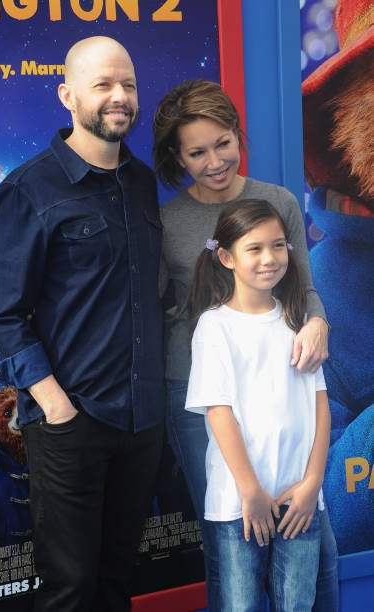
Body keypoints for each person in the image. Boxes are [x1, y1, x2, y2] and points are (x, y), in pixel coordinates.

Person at [0, 36, 165, 612]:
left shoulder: (140, 181)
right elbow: (6, 315)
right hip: (71, 425)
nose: (120, 97)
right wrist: (57, 407)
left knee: (119, 581)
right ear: (67, 95)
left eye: (129, 85)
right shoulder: (28, 188)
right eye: (103, 85)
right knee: (70, 591)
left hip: (140, 422)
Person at [153, 79, 338, 610]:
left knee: (313, 535)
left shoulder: (276, 200)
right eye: (197, 152)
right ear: (178, 156)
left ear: (238, 136)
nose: (214, 161)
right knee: (231, 539)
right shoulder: (166, 222)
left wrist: (318, 324)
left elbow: (303, 286)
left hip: (283, 386)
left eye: (223, 143)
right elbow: (159, 300)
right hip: (198, 394)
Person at [185, 198, 332, 610]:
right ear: (227, 257)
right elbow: (219, 413)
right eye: (255, 249)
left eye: (279, 245)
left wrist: (312, 484)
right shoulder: (214, 327)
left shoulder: (297, 321)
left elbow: (320, 406)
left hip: (299, 501)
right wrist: (250, 492)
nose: (270, 258)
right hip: (240, 506)